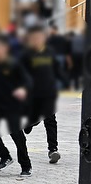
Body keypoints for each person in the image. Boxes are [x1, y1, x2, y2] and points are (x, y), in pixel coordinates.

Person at [0, 35, 33, 176]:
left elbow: (27, 81)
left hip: (12, 104)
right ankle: (5, 155)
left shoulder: (14, 64)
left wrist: (23, 89)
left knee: (16, 134)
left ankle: (26, 165)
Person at [21, 26, 62, 164]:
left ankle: (53, 149)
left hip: (48, 92)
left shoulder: (50, 52)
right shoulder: (27, 54)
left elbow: (56, 68)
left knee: (50, 119)